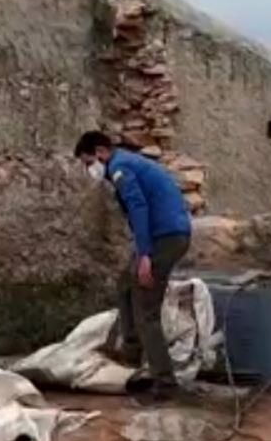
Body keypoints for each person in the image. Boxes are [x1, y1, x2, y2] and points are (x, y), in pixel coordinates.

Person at [74, 130, 193, 403]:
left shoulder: (120, 167)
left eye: (87, 162)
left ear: (101, 152)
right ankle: (131, 357)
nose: (88, 169)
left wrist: (145, 255)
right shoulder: (128, 162)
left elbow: (139, 208)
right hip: (167, 233)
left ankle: (165, 383)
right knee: (125, 284)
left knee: (146, 311)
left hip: (164, 238)